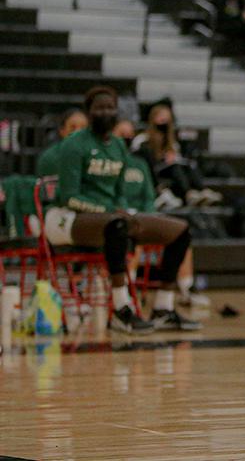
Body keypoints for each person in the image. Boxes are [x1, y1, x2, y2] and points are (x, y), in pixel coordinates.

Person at [43, 87, 201, 333]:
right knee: (116, 225)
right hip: (66, 218)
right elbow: (69, 196)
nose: (105, 112)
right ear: (89, 112)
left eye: (110, 107)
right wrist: (111, 211)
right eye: (99, 108)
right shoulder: (74, 145)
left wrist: (120, 209)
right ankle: (120, 309)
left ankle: (163, 307)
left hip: (110, 217)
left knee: (180, 231)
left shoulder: (118, 146)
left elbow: (118, 193)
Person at [113, 120, 209, 308]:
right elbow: (114, 195)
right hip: (121, 216)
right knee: (135, 235)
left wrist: (147, 213)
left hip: (142, 214)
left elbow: (149, 195)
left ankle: (184, 290)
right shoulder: (109, 164)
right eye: (121, 133)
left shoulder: (139, 163)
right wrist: (127, 212)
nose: (125, 138)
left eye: (128, 134)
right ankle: (128, 292)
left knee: (182, 232)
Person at [133, 104, 222, 208]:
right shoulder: (143, 139)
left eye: (167, 119)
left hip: (170, 169)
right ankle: (189, 195)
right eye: (161, 118)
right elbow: (139, 159)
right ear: (153, 119)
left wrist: (172, 156)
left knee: (187, 165)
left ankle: (201, 191)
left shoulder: (172, 142)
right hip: (153, 170)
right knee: (175, 167)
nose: (164, 122)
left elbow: (177, 157)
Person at [35, 108, 88, 176]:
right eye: (72, 128)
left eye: (83, 128)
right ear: (62, 130)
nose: (78, 132)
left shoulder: (96, 153)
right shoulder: (50, 158)